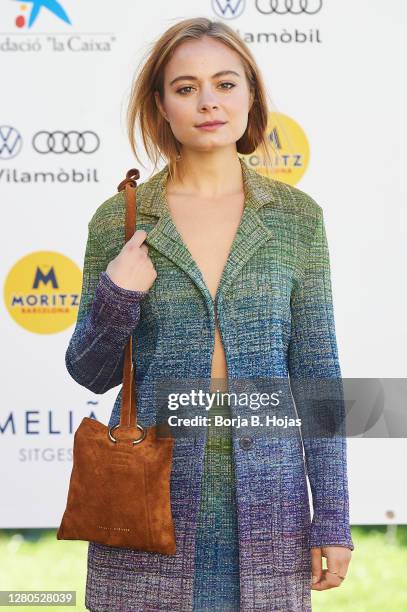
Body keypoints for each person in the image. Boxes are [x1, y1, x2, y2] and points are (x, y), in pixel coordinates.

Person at [65, 17, 354, 612]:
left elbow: (318, 374)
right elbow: (90, 372)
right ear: (161, 105)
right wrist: (119, 295)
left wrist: (333, 518)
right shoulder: (117, 219)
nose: (208, 102)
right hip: (149, 491)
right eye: (186, 87)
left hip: (268, 501)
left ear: (251, 95)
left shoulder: (297, 218)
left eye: (225, 84)